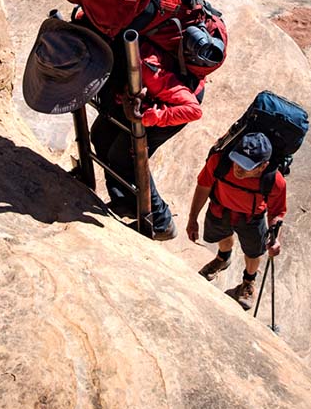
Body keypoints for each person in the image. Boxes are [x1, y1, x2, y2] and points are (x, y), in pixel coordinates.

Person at [90, 39, 204, 240]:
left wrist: (148, 116)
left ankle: (161, 222)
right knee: (100, 135)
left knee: (125, 157)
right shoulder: (111, 49)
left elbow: (192, 110)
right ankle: (124, 201)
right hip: (142, 96)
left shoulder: (147, 68)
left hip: (171, 105)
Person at [186, 132, 286, 309]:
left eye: (246, 166)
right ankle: (223, 258)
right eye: (237, 160)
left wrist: (274, 238)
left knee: (253, 253)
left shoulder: (274, 181)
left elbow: (276, 212)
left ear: (263, 166)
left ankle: (248, 282)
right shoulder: (219, 162)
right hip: (220, 209)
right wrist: (192, 218)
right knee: (222, 237)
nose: (238, 168)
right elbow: (203, 186)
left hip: (252, 218)